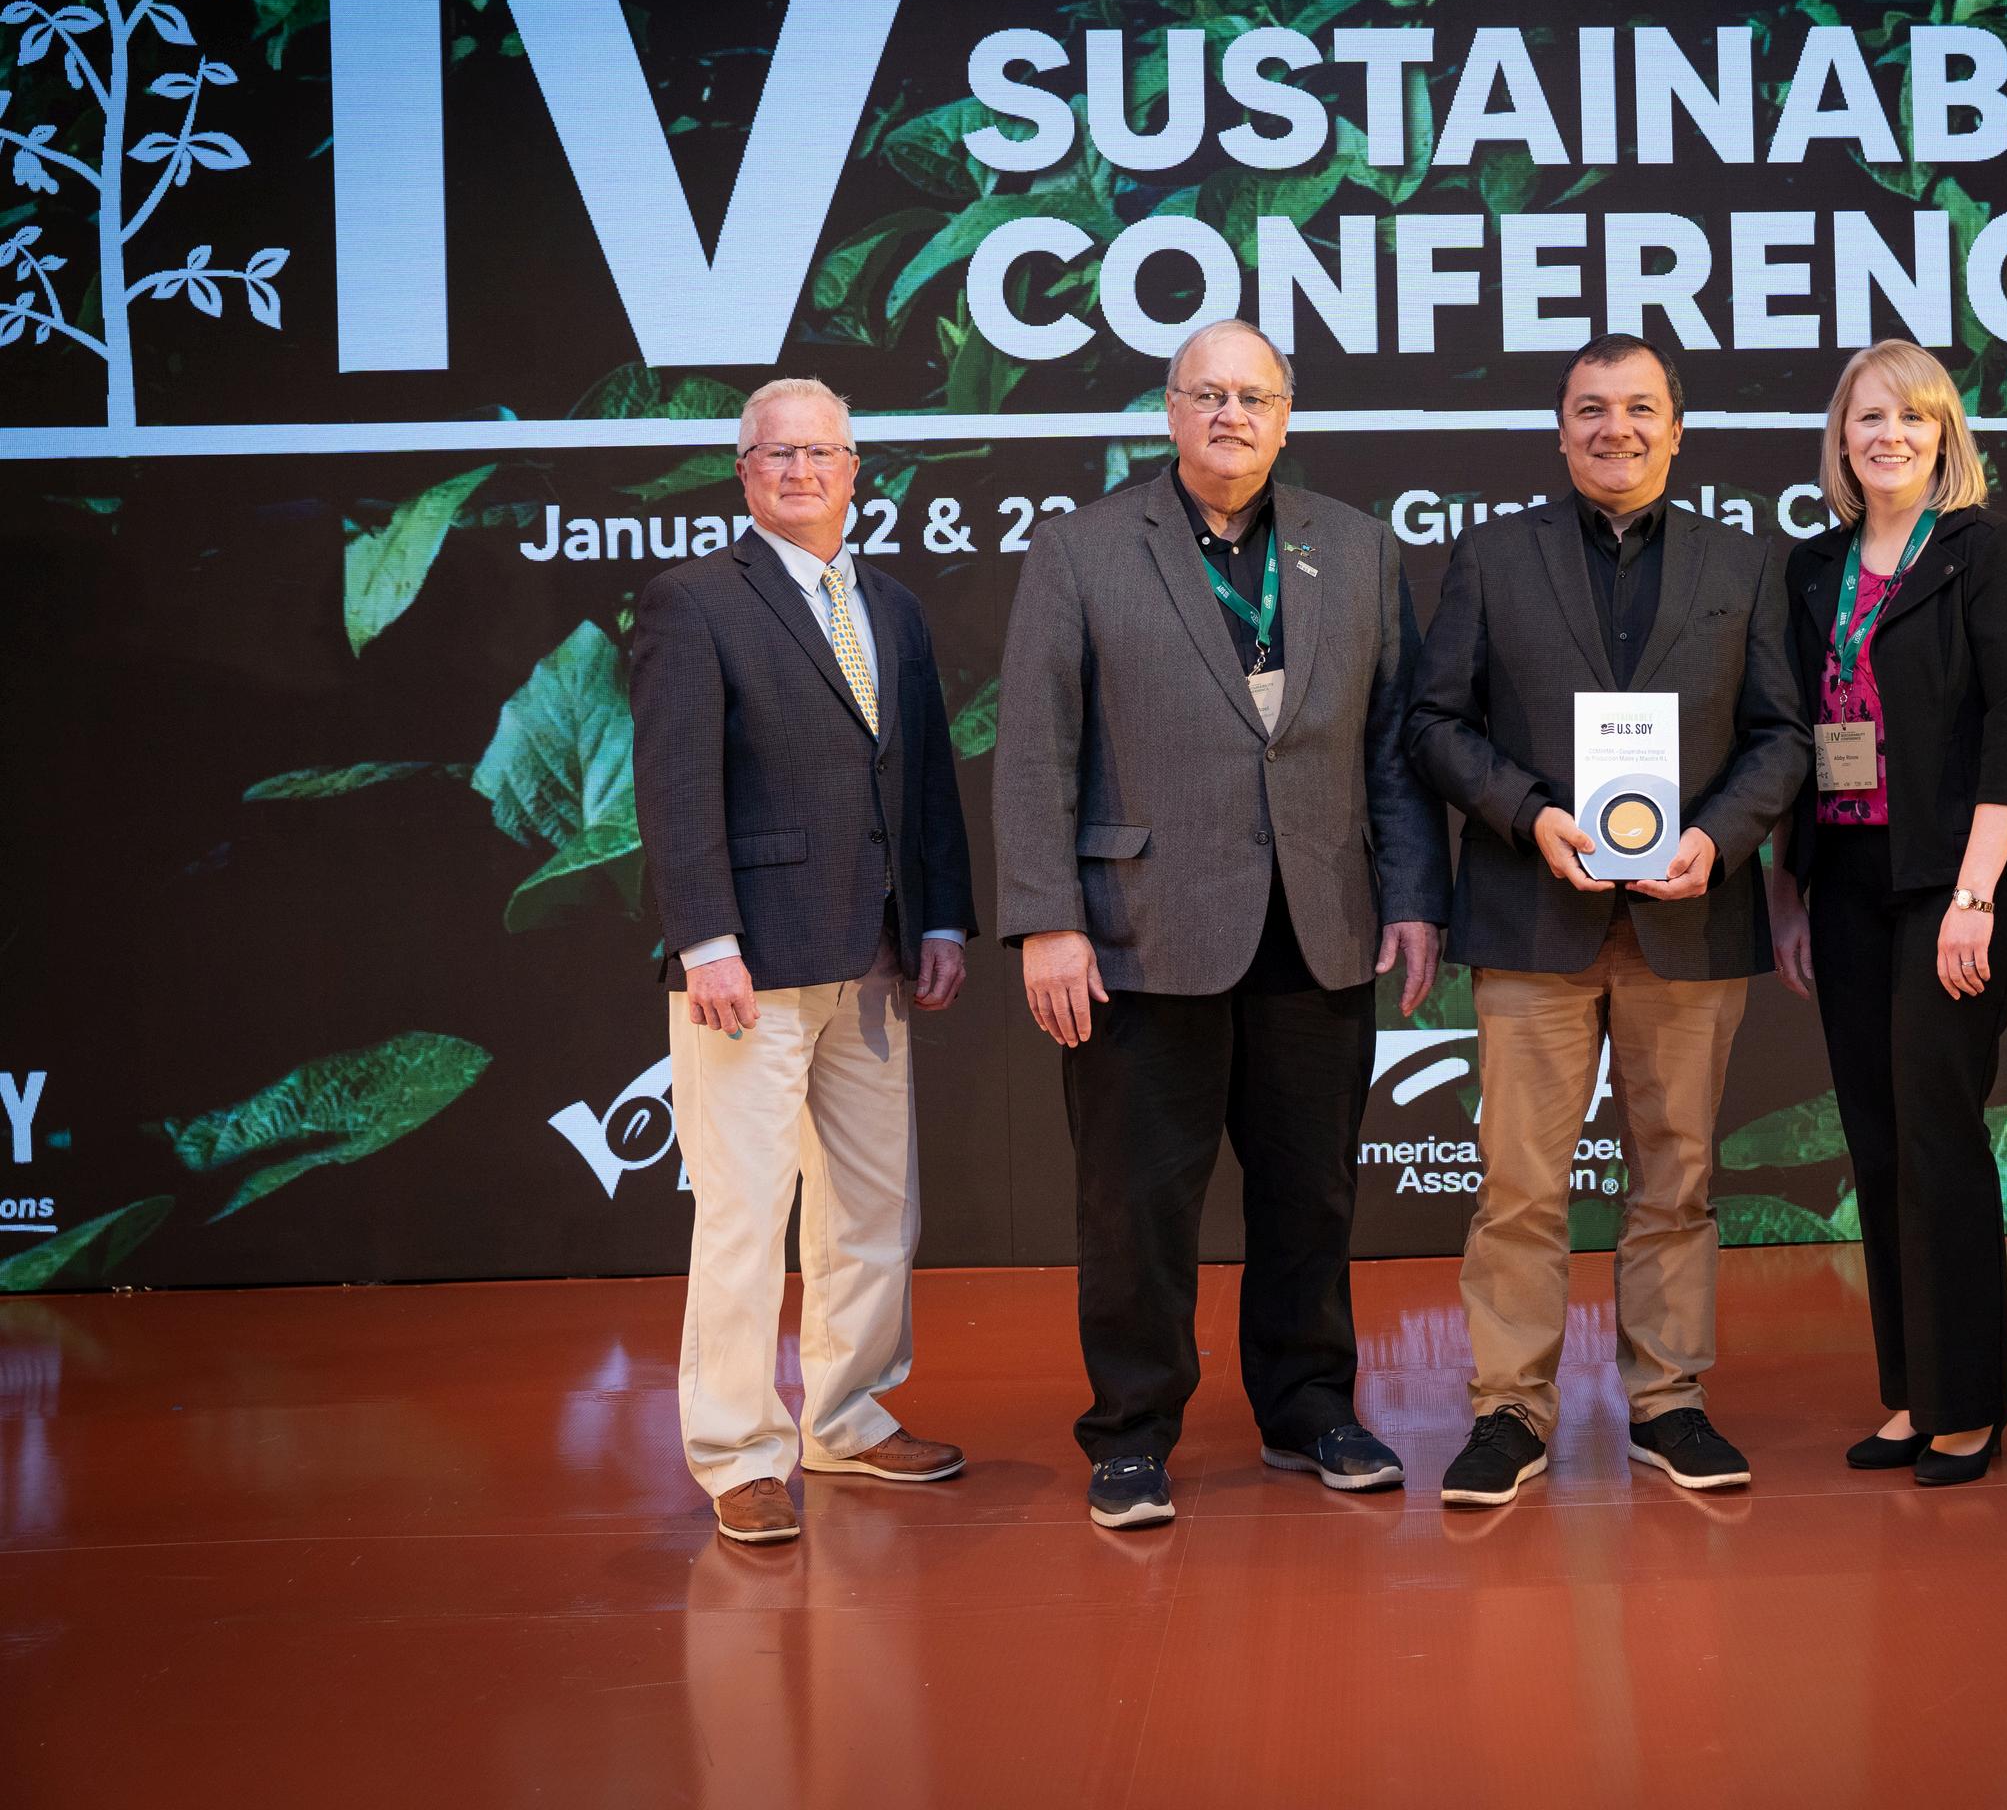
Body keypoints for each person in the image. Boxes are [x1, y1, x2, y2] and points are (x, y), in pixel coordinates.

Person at [992, 318, 1448, 1530]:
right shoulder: (1084, 547)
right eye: (1207, 394)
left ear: (1286, 416)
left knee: (1312, 1195)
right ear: (1170, 409)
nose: (1230, 414)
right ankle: (1132, 1431)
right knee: (1135, 1204)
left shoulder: (1356, 548)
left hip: (1319, 922)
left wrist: (1412, 895)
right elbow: (1034, 749)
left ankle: (1310, 1408)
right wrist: (1046, 920)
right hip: (1139, 932)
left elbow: (1393, 745)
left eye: (1253, 396)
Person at [1406, 332, 1810, 1508]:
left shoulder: (1742, 563)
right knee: (1520, 1186)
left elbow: (1782, 734)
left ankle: (1668, 1399)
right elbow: (1435, 723)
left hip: (1689, 916)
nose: (1614, 429)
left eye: (1638, 408)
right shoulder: (1494, 555)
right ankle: (1508, 1409)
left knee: (1675, 1179)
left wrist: (1716, 837)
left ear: (1676, 429)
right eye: (1591, 408)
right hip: (1533, 913)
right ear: (1561, 427)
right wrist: (1527, 812)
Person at [630, 376, 980, 1546]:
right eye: (774, 453)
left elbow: (923, 776)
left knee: (874, 1207)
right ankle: (738, 1452)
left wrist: (941, 919)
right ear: (743, 474)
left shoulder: (893, 606)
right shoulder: (693, 601)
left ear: (854, 470)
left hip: (877, 953)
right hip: (752, 963)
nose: (799, 469)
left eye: (820, 451)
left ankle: (847, 1415)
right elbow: (675, 786)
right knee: (744, 1217)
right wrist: (706, 942)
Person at [1766, 340, 2007, 1489]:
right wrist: (1787, 889)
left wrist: (1974, 893)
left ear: (1945, 436)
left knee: (1936, 1130)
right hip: (1844, 877)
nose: (1889, 435)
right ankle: (1910, 1390)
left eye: (1913, 416)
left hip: (1960, 878)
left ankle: (1968, 1404)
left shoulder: (1986, 550)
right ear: (1841, 437)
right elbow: (1794, 737)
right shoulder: (1811, 567)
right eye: (1869, 416)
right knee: (1877, 1137)